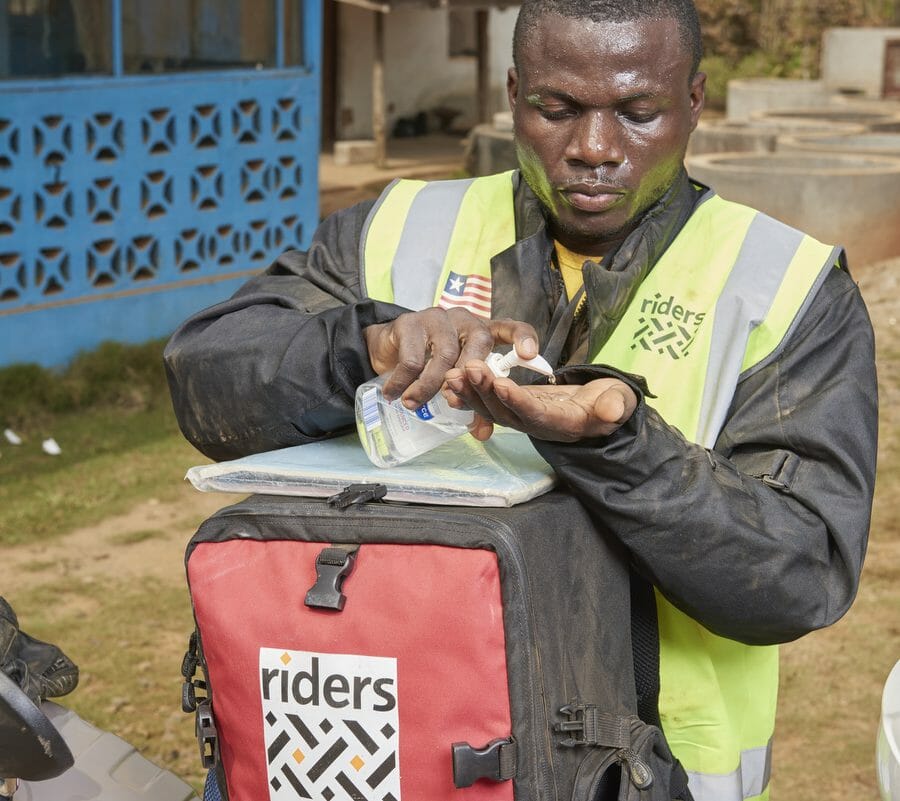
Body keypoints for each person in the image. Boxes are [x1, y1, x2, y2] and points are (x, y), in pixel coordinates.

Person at [163, 1, 878, 798]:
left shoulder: (784, 287)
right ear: (513, 92)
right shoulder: (398, 231)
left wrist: (618, 448)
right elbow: (206, 380)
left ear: (694, 99)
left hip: (647, 776)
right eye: (556, 109)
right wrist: (366, 344)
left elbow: (800, 574)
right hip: (398, 759)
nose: (593, 149)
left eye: (638, 112)